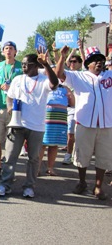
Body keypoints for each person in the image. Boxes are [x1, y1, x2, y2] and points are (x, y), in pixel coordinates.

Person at [0, 52, 58, 198]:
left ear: (36, 65)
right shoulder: (17, 79)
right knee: (10, 156)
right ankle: (5, 185)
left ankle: (29, 186)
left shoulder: (43, 79)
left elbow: (54, 84)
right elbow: (10, 97)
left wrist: (46, 64)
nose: (23, 66)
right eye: (22, 64)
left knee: (34, 158)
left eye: (26, 64)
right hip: (17, 124)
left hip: (36, 126)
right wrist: (10, 106)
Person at [55, 46, 112, 200]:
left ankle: (98, 186)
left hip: (107, 125)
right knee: (82, 156)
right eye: (94, 60)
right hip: (85, 123)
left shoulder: (110, 75)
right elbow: (59, 74)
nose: (98, 62)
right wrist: (62, 56)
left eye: (100, 59)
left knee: (103, 156)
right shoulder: (79, 77)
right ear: (88, 63)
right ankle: (82, 182)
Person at [0, 41, 23, 180]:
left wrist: (11, 87)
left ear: (15, 51)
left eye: (11, 49)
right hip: (0, 108)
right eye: (6, 49)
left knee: (13, 142)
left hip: (15, 109)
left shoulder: (20, 66)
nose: (8, 51)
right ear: (3, 51)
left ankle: (10, 170)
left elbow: (24, 86)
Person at [38, 82, 74, 176]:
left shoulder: (65, 88)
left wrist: (70, 93)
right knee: (42, 143)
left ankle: (50, 168)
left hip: (60, 118)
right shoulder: (45, 84)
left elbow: (72, 103)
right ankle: (36, 168)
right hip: (46, 116)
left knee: (54, 144)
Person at [62, 54, 83, 165]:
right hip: (64, 108)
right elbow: (61, 63)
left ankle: (68, 155)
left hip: (76, 108)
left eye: (75, 61)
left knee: (71, 134)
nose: (72, 63)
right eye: (70, 61)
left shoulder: (83, 75)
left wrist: (79, 49)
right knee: (67, 133)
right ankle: (71, 152)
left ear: (80, 64)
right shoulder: (66, 75)